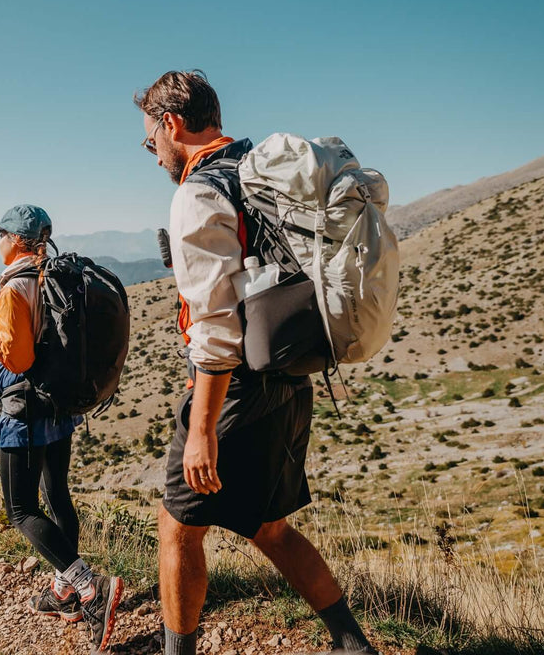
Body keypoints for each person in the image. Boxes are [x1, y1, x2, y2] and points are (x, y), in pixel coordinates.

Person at [134, 72, 379, 655]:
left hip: (235, 386)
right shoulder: (254, 169)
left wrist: (201, 432)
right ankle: (351, 643)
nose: (154, 154)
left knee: (177, 526)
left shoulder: (197, 193)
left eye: (150, 141)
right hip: (290, 368)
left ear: (171, 124)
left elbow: (216, 331)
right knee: (267, 527)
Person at [0, 204, 124, 652]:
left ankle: (89, 587)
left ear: (18, 240)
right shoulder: (56, 274)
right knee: (56, 494)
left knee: (21, 509)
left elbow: (18, 359)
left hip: (27, 411)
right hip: (61, 403)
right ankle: (65, 593)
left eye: (1, 233)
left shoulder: (16, 287)